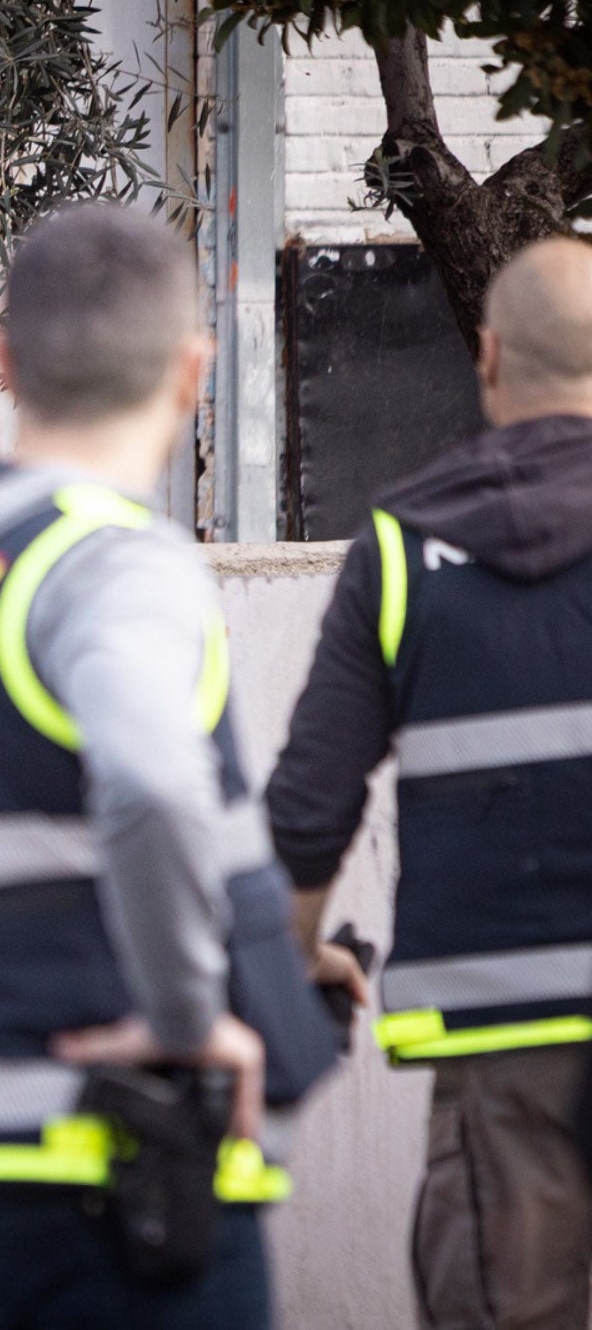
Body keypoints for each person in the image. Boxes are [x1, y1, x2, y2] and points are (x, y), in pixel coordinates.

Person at [0, 204, 341, 1329]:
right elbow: (150, 783)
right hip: (105, 1156)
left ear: (3, 363)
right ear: (192, 369)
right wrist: (185, 1010)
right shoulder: (107, 562)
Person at [267, 236, 592, 1330]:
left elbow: (312, 801)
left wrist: (293, 948)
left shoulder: (400, 549)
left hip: (500, 1034)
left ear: (488, 356)